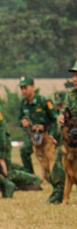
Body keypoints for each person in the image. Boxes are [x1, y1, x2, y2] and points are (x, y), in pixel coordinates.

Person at [46, 61, 77, 204]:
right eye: (74, 76)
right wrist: (55, 130)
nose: (75, 79)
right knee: (59, 167)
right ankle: (59, 196)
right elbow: (63, 116)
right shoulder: (71, 94)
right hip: (72, 139)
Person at [17, 76, 58, 174]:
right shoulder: (23, 103)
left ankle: (53, 177)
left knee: (49, 156)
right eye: (22, 88)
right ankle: (30, 176)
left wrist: (52, 134)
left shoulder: (44, 101)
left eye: (25, 88)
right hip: (32, 135)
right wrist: (22, 123)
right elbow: (20, 119)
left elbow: (54, 119)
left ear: (33, 87)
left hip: (45, 134)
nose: (23, 91)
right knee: (24, 151)